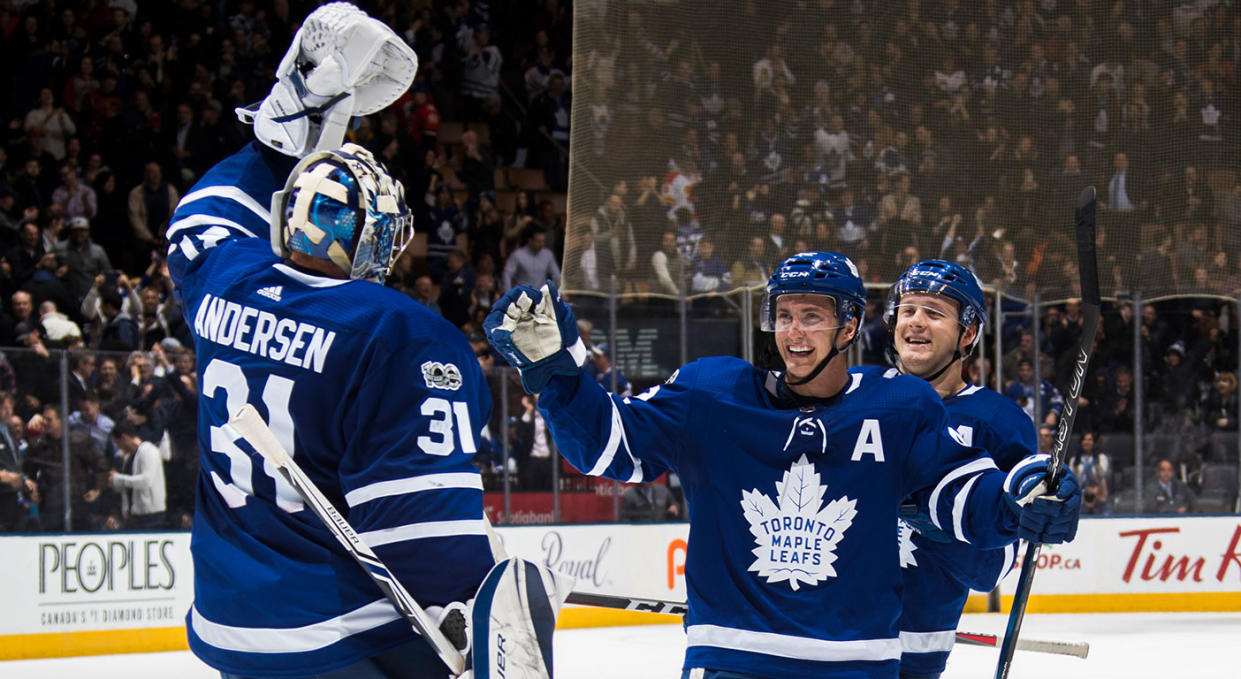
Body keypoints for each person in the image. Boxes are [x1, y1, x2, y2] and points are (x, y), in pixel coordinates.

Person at [485, 251, 1081, 679]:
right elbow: (605, 445)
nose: (793, 332)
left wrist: (1019, 499)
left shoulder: (900, 409)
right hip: (732, 659)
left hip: (859, 664)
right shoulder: (710, 394)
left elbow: (962, 497)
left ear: (849, 325)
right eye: (784, 315)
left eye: (813, 316)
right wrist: (556, 377)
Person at [166, 6, 494, 676]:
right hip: (331, 623)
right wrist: (478, 614)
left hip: (229, 619)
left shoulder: (224, 279)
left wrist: (272, 142)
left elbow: (198, 219)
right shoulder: (399, 331)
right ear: (370, 236)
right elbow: (428, 547)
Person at [882, 259, 1035, 679]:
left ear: (967, 333)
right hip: (825, 639)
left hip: (915, 654)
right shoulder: (858, 395)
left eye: (933, 312)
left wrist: (923, 511)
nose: (915, 321)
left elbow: (992, 567)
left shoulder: (999, 422)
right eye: (907, 309)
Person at [108, 419, 167, 530]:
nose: (118, 447)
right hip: (134, 515)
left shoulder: (149, 451)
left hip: (152, 516)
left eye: (117, 443)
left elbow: (146, 480)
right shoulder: (128, 458)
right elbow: (129, 484)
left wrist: (118, 479)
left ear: (124, 438)